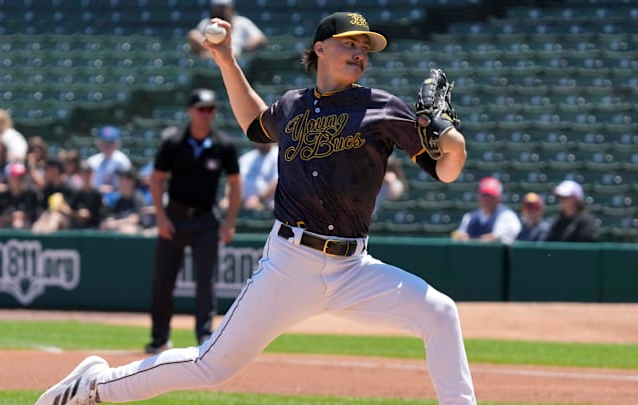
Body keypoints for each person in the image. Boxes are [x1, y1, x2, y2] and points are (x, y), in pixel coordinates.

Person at [36, 11, 476, 405]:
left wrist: (450, 138)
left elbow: (446, 171)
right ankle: (96, 387)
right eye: (349, 43)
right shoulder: (293, 105)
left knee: (440, 313)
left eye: (364, 48)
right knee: (212, 365)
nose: (359, 53)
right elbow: (254, 124)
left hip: (354, 268)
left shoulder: (384, 108)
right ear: (319, 49)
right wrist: (227, 60)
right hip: (290, 263)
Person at [144, 87, 242, 354]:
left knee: (205, 281)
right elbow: (156, 179)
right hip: (174, 217)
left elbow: (235, 184)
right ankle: (159, 337)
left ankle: (205, 337)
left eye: (210, 109)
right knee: (163, 280)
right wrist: (161, 217)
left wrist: (229, 222)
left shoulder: (224, 145)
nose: (205, 114)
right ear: (190, 111)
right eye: (201, 109)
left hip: (206, 220)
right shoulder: (173, 142)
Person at [451, 176, 521, 244]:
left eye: (490, 196)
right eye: (484, 195)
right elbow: (459, 237)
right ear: (479, 196)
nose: (486, 200)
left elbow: (498, 240)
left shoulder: (507, 216)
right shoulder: (469, 217)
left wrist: (469, 240)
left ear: (499, 198)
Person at [187, 0, 266, 59]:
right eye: (218, 8)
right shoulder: (206, 22)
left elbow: (260, 37)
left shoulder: (242, 22)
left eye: (223, 8)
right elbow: (193, 35)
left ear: (231, 8)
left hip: (236, 56)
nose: (220, 11)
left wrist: (247, 46)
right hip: (211, 56)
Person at [221, 141, 278, 211]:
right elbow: (233, 178)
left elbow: (277, 182)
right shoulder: (247, 157)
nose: (260, 141)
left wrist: (258, 198)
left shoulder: (278, 155)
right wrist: (228, 197)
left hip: (266, 204)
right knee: (225, 205)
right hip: (242, 202)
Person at [86, 126, 132, 195]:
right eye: (104, 142)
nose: (107, 145)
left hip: (117, 197)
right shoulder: (92, 161)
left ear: (117, 143)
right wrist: (98, 189)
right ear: (98, 143)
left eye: (111, 142)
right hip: (95, 197)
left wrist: (112, 189)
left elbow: (128, 185)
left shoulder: (123, 161)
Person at [99, 168, 146, 235]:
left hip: (139, 232)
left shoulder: (137, 197)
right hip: (120, 228)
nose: (119, 182)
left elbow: (135, 219)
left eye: (122, 179)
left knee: (127, 229)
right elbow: (114, 215)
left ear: (131, 181)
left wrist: (116, 223)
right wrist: (109, 221)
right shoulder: (120, 199)